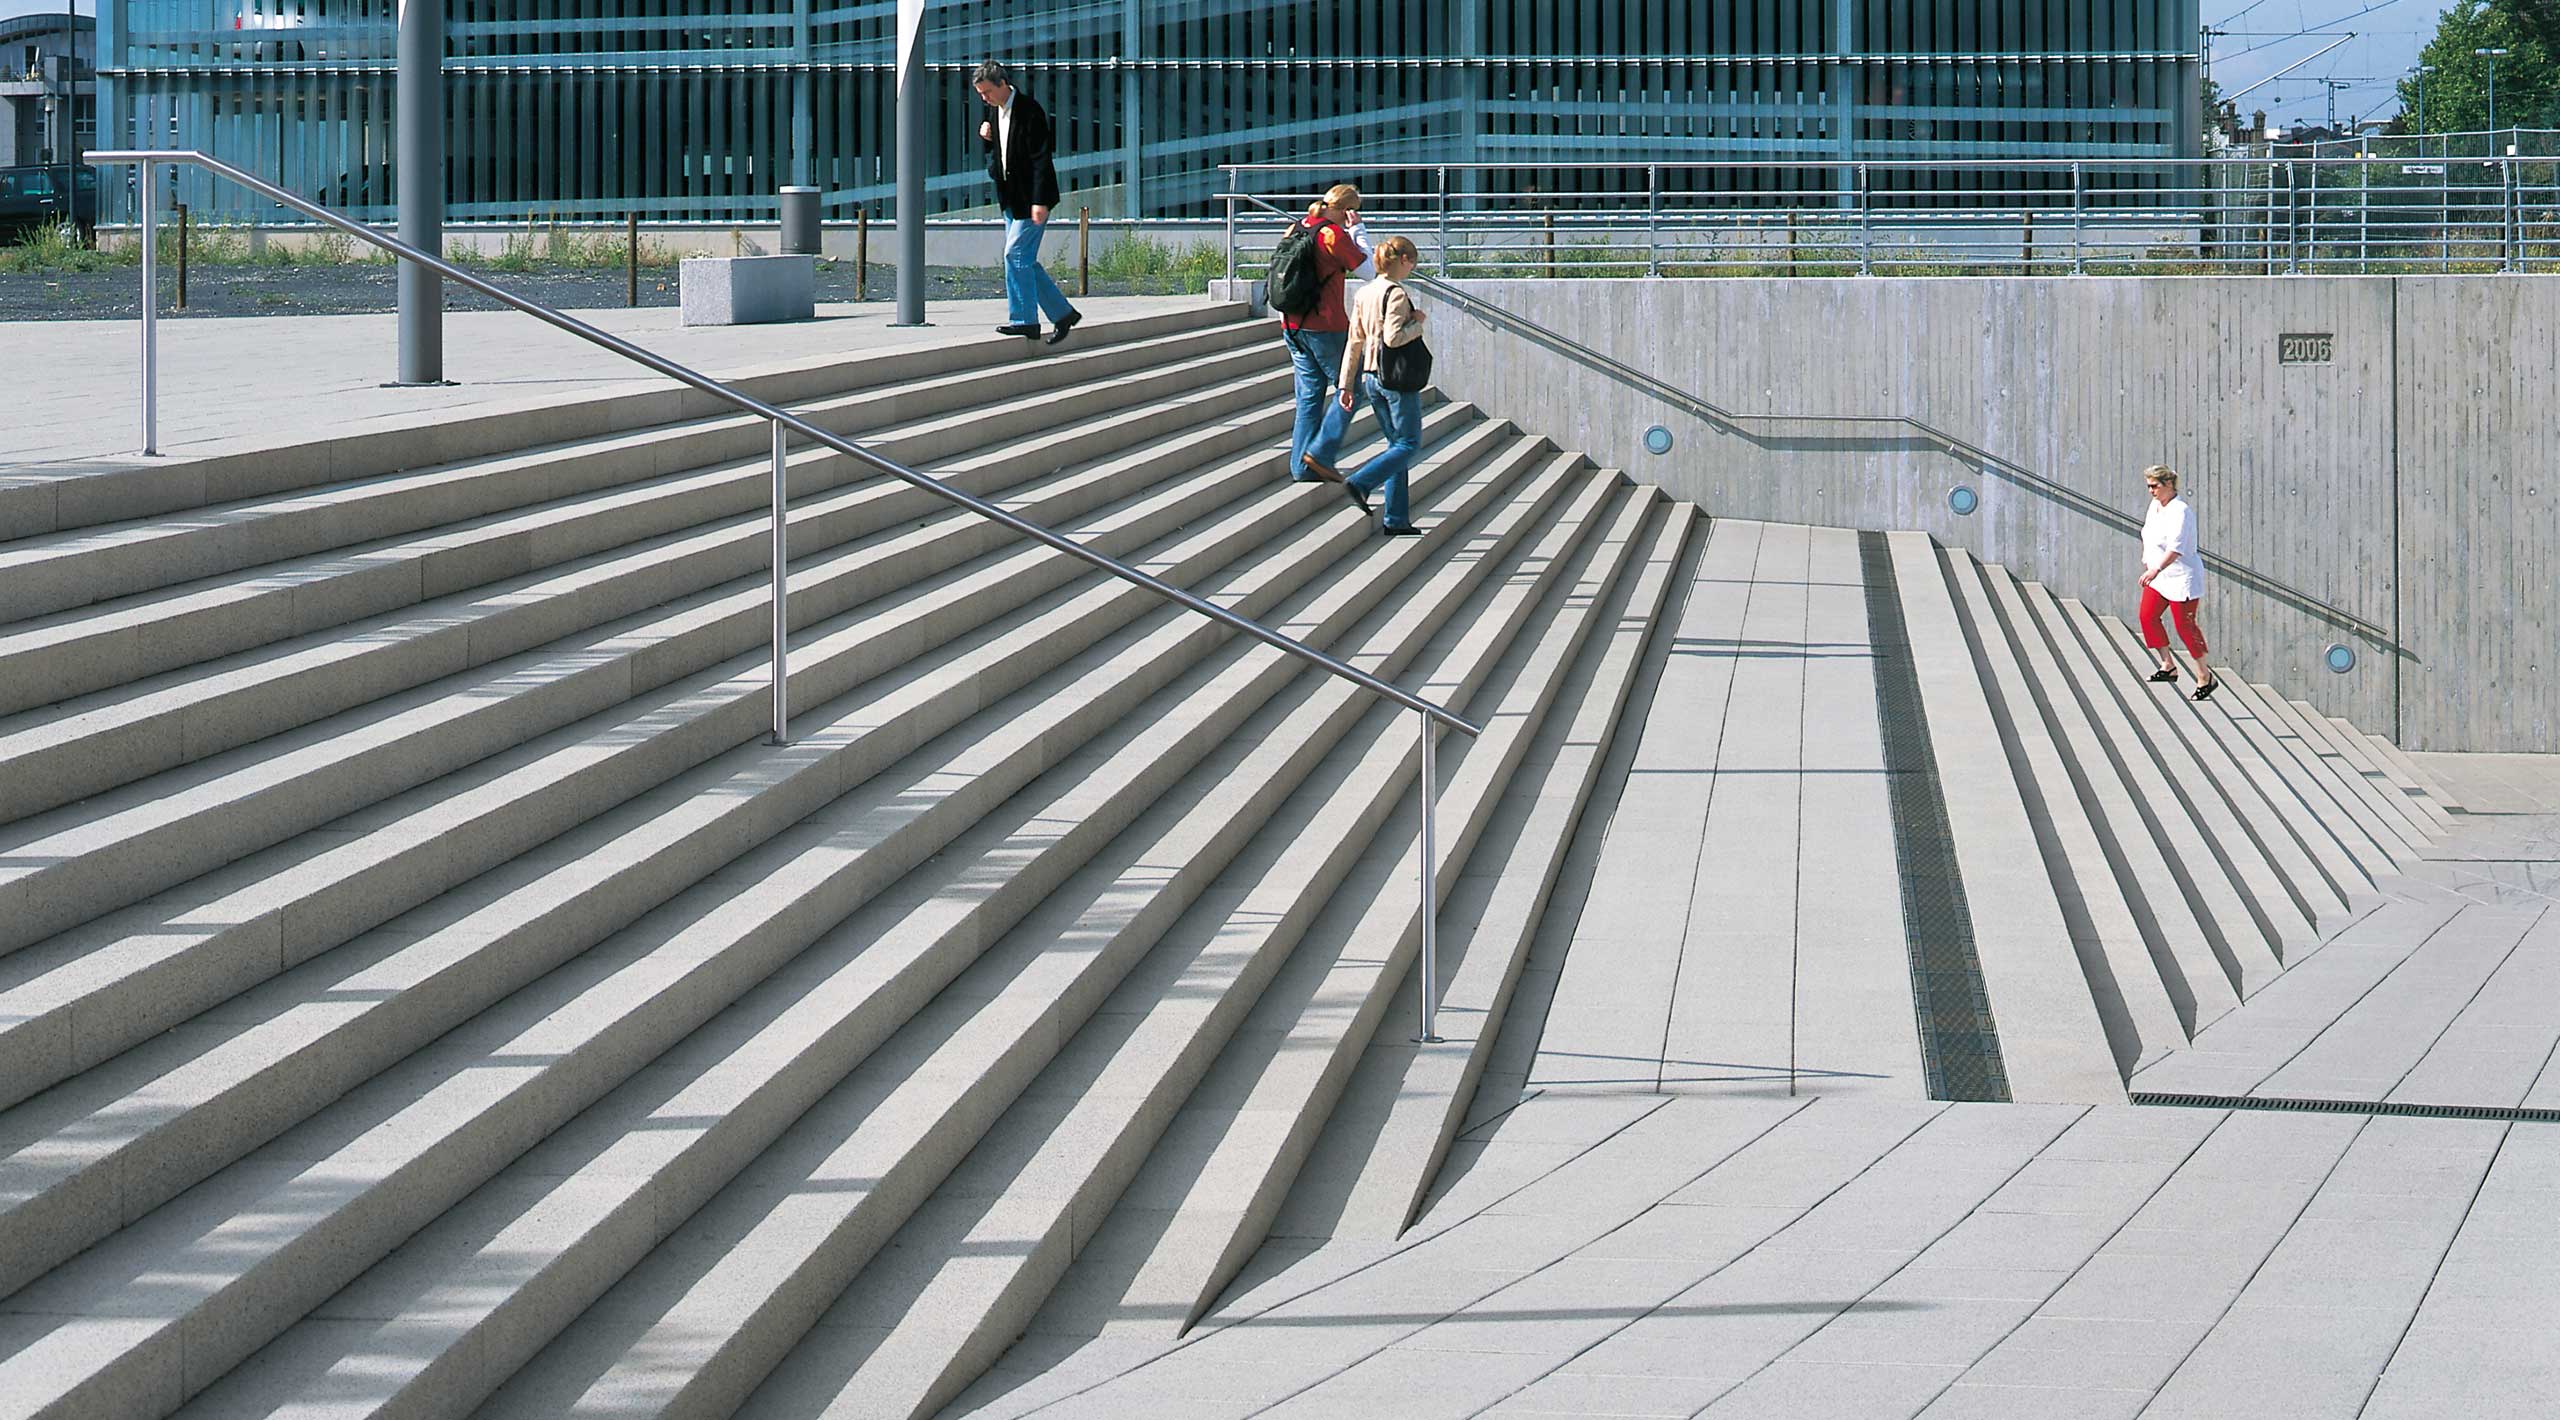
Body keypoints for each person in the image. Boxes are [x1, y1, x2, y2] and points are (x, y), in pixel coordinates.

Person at [1312, 234, 1428, 537]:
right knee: (1408, 444)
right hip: (1396, 380)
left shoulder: (1364, 293)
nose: (1412, 267)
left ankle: (1396, 518)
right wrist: (1417, 323)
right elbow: (1393, 338)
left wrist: (1345, 385)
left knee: (1395, 447)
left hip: (1371, 377)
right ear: (1402, 261)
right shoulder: (1397, 294)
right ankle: (1361, 481)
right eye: (1412, 261)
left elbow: (1355, 341)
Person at [972, 60, 1082, 346]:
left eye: (986, 92)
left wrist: (1040, 201)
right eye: (981, 94)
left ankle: (1024, 321)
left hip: (1033, 200)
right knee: (1024, 261)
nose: (984, 98)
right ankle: (1062, 314)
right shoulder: (995, 112)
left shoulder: (1029, 111)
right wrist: (988, 138)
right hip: (1011, 198)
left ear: (1002, 84)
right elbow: (1004, 153)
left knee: (1014, 255)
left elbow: (1040, 159)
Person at [1276, 187, 1364, 483]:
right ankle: (1321, 454)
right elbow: (1369, 271)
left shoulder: (1297, 226)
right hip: (1325, 327)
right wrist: (1358, 230)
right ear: (1346, 211)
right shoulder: (1333, 235)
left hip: (1292, 325)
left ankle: (1301, 468)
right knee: (1352, 389)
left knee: (1309, 396)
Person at [2137, 464, 2217, 700]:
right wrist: (2150, 564)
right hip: (2158, 574)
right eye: (2149, 486)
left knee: (2185, 626)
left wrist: (2155, 569)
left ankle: (2205, 676)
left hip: (2181, 577)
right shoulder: (2155, 506)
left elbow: (2177, 548)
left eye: (2154, 486)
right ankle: (2168, 665)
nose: (2151, 491)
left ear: (2168, 484)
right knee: (2147, 616)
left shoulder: (2181, 511)